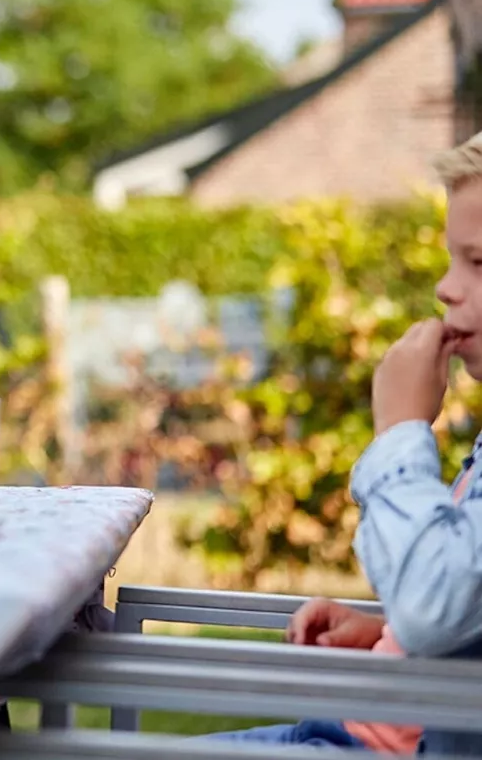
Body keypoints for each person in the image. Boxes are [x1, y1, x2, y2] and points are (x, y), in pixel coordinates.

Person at [208, 133, 482, 754]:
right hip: (354, 725)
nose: (445, 287)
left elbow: (434, 604)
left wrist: (400, 433)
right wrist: (388, 634)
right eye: (451, 259)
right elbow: (458, 603)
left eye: (478, 263)